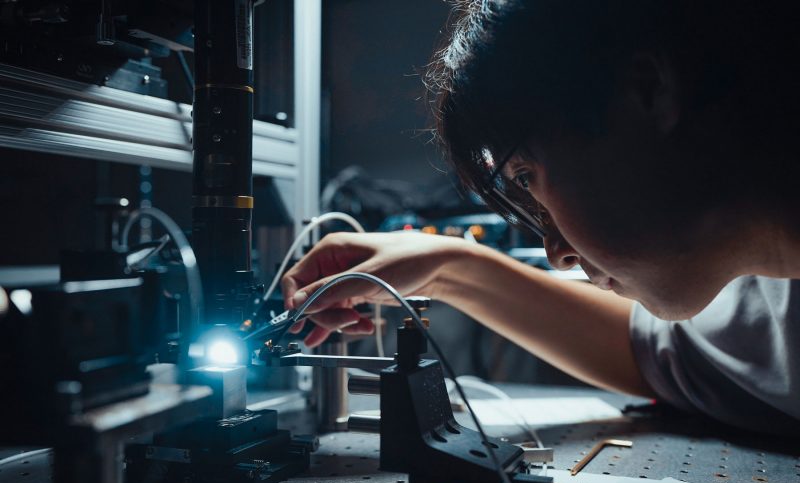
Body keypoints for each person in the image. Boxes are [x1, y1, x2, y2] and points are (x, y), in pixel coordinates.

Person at [281, 0, 800, 435]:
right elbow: (654, 351)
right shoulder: (775, 301)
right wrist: (449, 267)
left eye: (526, 176)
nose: (558, 252)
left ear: (645, 91)